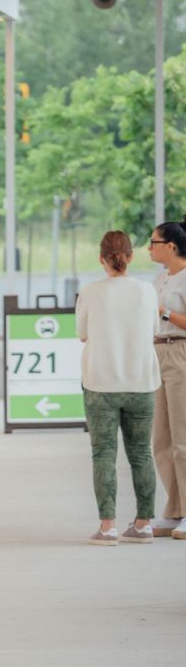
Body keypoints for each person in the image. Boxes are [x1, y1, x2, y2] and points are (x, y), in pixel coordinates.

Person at [78, 231, 159, 543]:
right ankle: (144, 524)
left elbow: (82, 334)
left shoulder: (90, 292)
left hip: (100, 381)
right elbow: (154, 329)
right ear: (131, 256)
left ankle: (108, 526)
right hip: (141, 381)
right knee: (141, 452)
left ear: (102, 258)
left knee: (103, 453)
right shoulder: (147, 291)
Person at [147, 222, 186, 537]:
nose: (149, 248)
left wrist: (162, 313)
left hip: (180, 352)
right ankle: (174, 509)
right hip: (157, 352)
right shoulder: (160, 278)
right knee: (161, 439)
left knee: (182, 439)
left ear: (171, 246)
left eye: (153, 242)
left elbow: (168, 316)